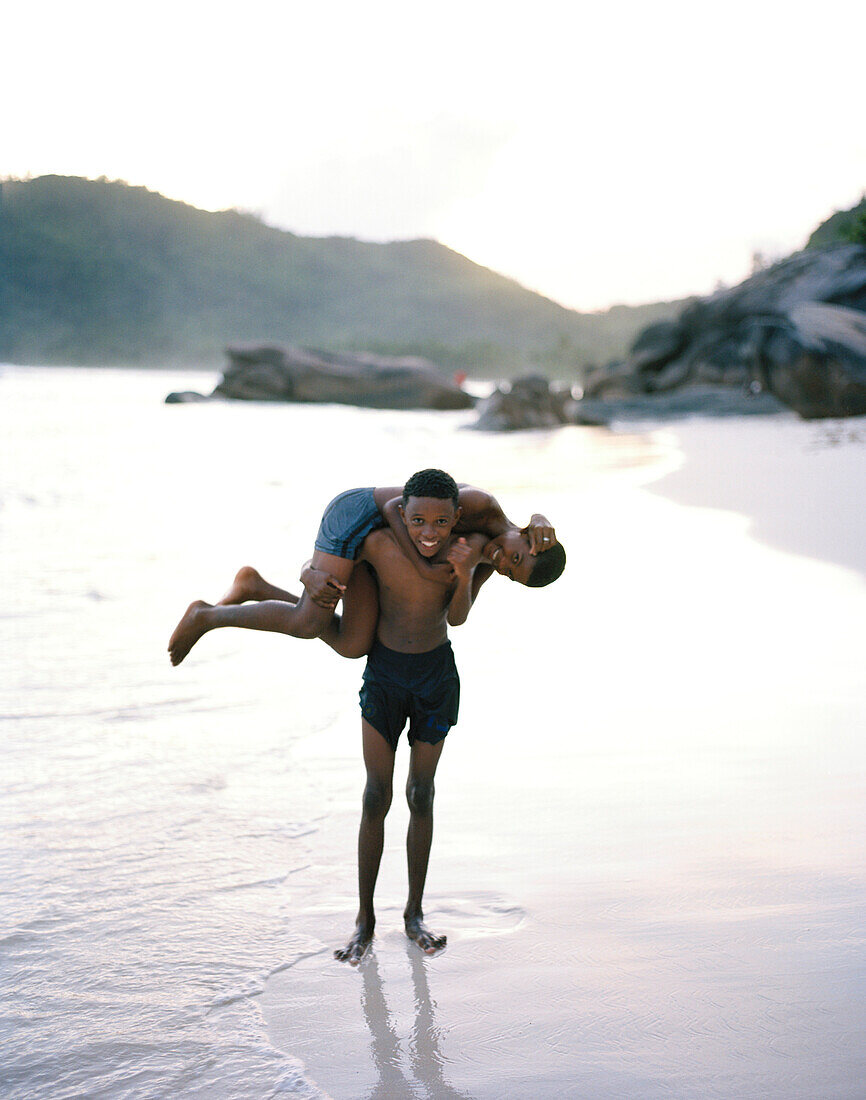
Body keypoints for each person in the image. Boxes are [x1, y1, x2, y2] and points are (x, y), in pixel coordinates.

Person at [331, 469, 493, 964]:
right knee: (375, 794)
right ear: (402, 514)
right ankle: (364, 920)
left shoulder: (461, 552)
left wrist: (464, 574)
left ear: (455, 519)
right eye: (418, 519)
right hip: (384, 677)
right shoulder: (378, 543)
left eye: (440, 522)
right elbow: (334, 567)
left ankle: (414, 914)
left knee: (420, 794)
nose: (429, 532)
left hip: (434, 681)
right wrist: (308, 574)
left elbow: (457, 618)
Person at [167, 476, 566, 666]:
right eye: (515, 558)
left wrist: (458, 576)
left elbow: (457, 612)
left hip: (378, 548)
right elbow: (397, 507)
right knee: (307, 623)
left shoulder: (489, 557)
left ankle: (254, 585)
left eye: (511, 574)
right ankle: (207, 615)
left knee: (352, 645)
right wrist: (419, 564)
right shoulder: (479, 505)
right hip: (357, 515)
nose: (503, 564)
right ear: (530, 534)